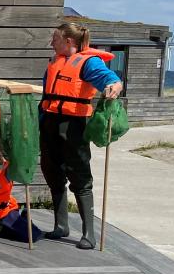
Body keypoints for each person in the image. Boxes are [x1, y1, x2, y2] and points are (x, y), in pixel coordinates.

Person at [39, 21, 123, 249]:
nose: (52, 43)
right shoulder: (54, 61)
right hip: (50, 122)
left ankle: (89, 234)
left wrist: (115, 85)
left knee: (80, 175)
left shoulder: (89, 62)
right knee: (52, 172)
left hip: (73, 125)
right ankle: (61, 226)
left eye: (55, 39)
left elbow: (108, 78)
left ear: (68, 41)